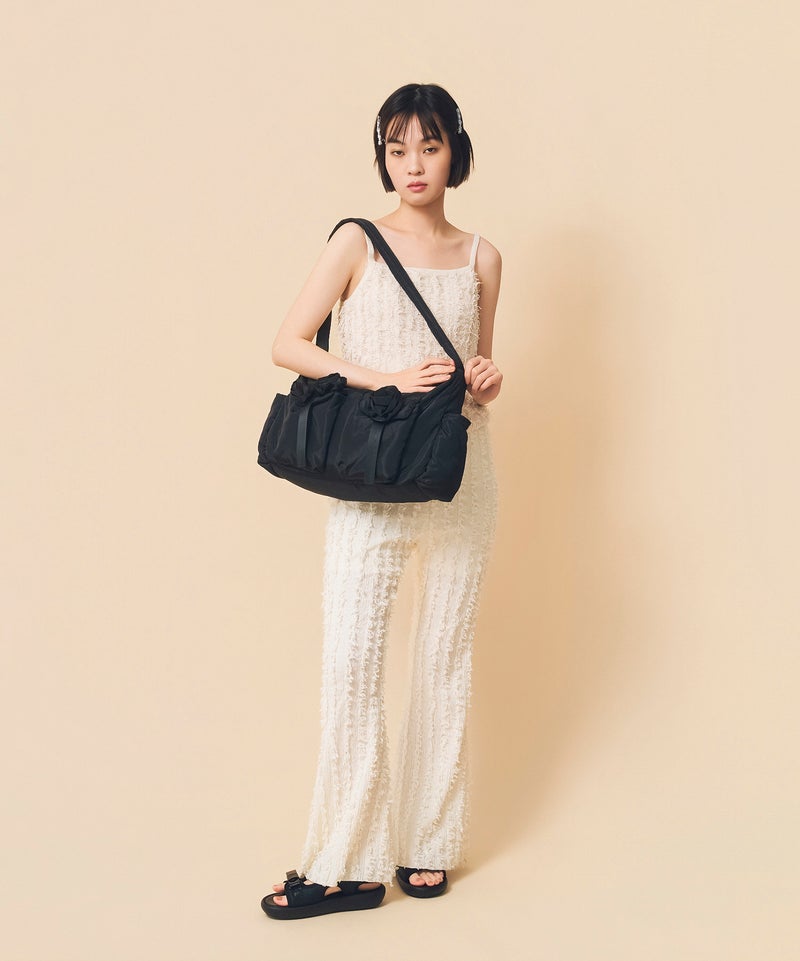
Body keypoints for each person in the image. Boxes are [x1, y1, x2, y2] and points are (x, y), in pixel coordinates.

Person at [261, 82, 503, 920]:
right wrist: (385, 378)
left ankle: (427, 842)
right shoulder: (356, 241)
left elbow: (476, 374)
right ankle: (348, 862)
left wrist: (487, 380)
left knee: (444, 655)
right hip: (371, 475)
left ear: (454, 153)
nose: (413, 164)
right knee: (354, 659)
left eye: (429, 146)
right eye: (398, 149)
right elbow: (288, 343)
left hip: (460, 476)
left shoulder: (483, 257)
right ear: (383, 156)